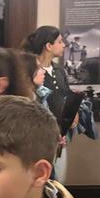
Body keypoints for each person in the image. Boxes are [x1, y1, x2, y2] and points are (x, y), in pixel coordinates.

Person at [21, 26, 73, 181]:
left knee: (59, 179)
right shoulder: (31, 69)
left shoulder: (59, 70)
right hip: (39, 136)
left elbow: (65, 96)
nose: (63, 45)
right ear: (49, 46)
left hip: (60, 135)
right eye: (60, 42)